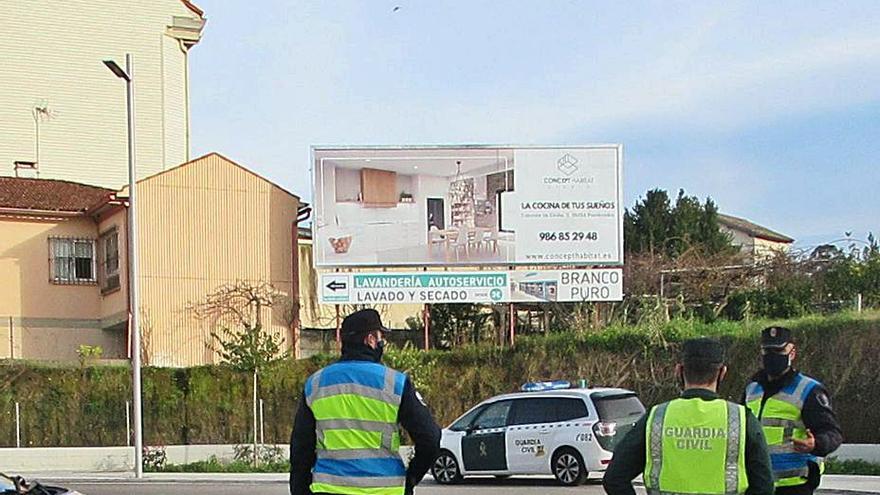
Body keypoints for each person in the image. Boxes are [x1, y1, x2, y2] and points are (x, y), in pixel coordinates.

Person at [290, 308, 441, 495]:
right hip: (384, 490)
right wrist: (411, 478)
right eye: (380, 337)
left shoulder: (316, 384)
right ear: (370, 339)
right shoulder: (394, 383)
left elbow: (300, 449)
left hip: (330, 489)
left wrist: (301, 490)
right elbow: (430, 438)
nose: (381, 342)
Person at [604, 338, 774, 495]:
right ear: (722, 373)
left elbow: (614, 479)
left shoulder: (656, 418)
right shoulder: (742, 419)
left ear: (679, 371)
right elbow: (764, 486)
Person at [743, 327, 843, 495]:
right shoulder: (751, 389)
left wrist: (816, 444)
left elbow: (832, 433)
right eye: (767, 350)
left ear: (792, 353)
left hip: (794, 485)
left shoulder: (809, 390)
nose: (772, 355)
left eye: (779, 350)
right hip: (757, 483)